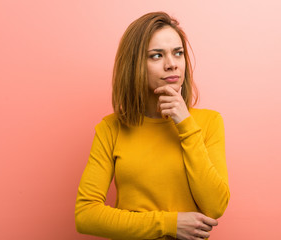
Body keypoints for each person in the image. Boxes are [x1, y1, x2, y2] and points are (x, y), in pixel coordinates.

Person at [75, 11, 230, 240]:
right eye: (156, 56)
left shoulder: (209, 122)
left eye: (178, 53)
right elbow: (85, 215)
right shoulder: (111, 129)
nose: (171, 65)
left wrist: (185, 124)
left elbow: (215, 206)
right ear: (135, 64)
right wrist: (169, 224)